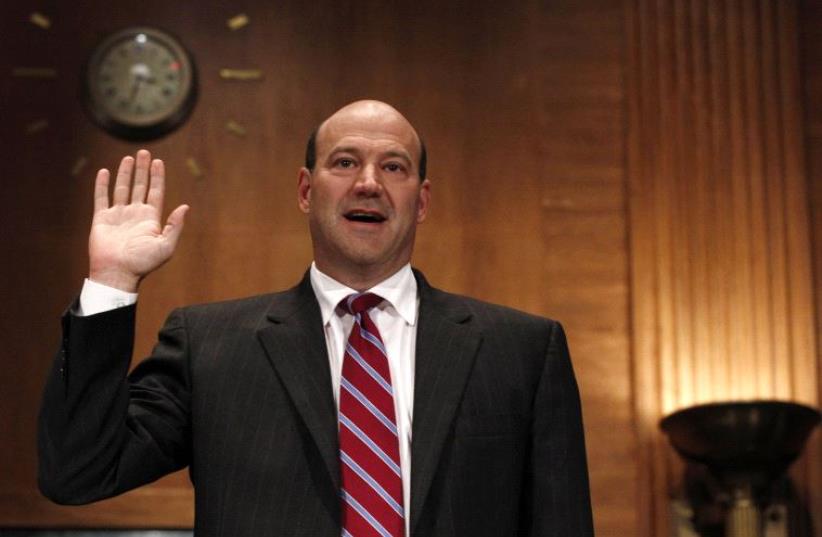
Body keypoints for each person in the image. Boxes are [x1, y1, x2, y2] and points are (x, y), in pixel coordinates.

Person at [38, 100, 595, 536]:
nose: (369, 182)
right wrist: (112, 283)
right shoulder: (210, 346)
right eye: (345, 162)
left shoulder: (522, 350)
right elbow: (79, 471)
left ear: (421, 202)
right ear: (307, 191)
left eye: (393, 166)